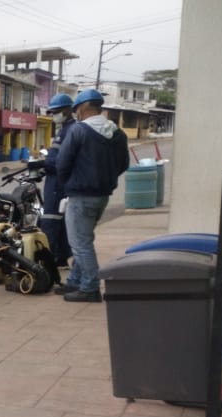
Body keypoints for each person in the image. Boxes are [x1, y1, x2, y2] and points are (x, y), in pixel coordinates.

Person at [55, 88, 129, 303]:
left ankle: (90, 287)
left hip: (80, 195)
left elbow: (62, 163)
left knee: (80, 244)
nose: (76, 113)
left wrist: (68, 184)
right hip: (102, 195)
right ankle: (75, 281)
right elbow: (123, 164)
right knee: (84, 239)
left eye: (76, 109)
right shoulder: (117, 133)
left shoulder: (78, 131)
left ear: (83, 108)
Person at [41, 93, 75, 270]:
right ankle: (61, 257)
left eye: (57, 111)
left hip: (58, 185)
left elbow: (62, 160)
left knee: (51, 221)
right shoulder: (64, 130)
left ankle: (52, 258)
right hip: (57, 181)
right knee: (61, 222)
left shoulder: (70, 131)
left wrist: (45, 163)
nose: (54, 115)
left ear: (68, 110)